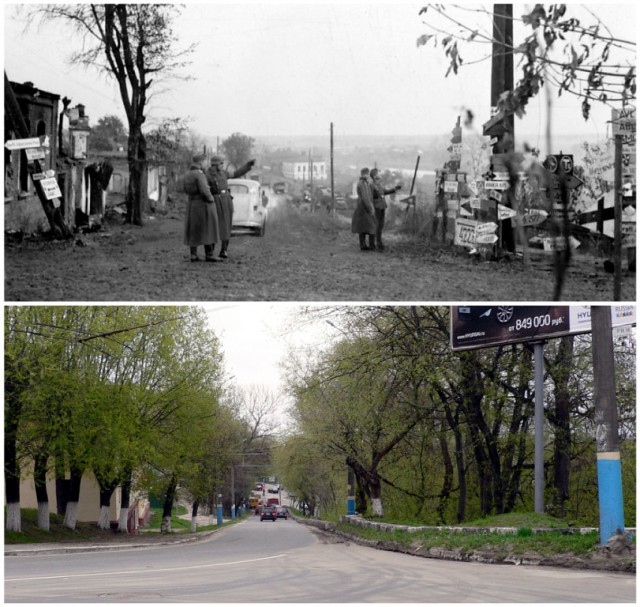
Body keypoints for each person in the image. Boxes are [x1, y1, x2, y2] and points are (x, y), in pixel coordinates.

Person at [206, 155, 256, 259]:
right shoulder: (208, 175)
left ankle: (224, 250)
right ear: (215, 165)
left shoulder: (224, 173)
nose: (222, 165)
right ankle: (210, 253)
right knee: (213, 226)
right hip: (215, 201)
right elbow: (205, 189)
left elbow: (236, 174)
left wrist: (247, 166)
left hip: (226, 200)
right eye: (221, 163)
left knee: (227, 226)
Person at [182, 154, 221, 262]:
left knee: (193, 229)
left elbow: (184, 189)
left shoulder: (187, 174)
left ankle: (193, 254)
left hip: (191, 204)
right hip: (202, 204)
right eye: (205, 161)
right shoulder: (200, 175)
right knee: (208, 228)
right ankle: (209, 254)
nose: (206, 164)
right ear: (200, 162)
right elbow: (204, 189)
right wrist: (211, 198)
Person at [370, 168, 401, 250]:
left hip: (382, 207)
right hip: (376, 207)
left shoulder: (379, 185)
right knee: (376, 225)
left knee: (380, 225)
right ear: (374, 176)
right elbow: (371, 197)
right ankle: (373, 244)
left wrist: (394, 189)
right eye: (379, 173)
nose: (380, 175)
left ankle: (379, 243)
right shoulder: (372, 186)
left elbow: (385, 192)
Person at [351, 167, 377, 251]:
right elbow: (365, 197)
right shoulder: (363, 183)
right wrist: (370, 208)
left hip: (361, 206)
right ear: (364, 174)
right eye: (367, 174)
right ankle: (371, 246)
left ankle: (363, 246)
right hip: (364, 207)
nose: (368, 175)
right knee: (372, 226)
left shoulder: (364, 183)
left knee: (362, 227)